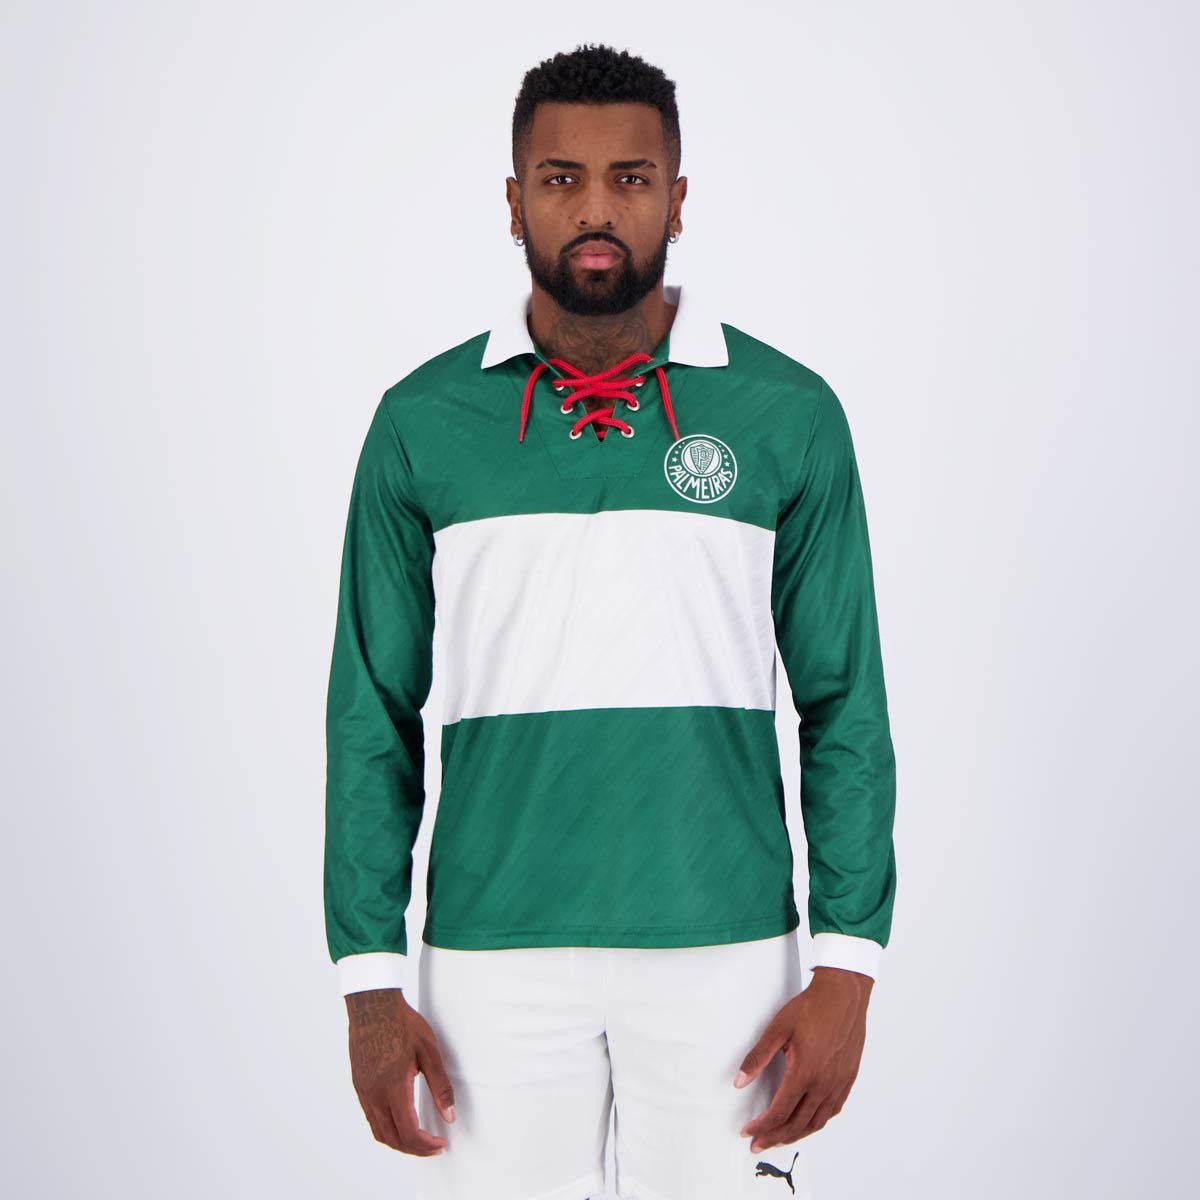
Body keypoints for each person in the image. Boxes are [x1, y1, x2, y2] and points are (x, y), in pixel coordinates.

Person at [324, 42, 897, 1200]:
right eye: (561, 178)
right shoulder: (421, 423)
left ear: (677, 201)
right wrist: (369, 981)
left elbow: (844, 703)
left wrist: (847, 966)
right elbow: (371, 712)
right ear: (514, 202)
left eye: (631, 179)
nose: (595, 209)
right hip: (489, 958)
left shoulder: (786, 413)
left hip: (729, 952)